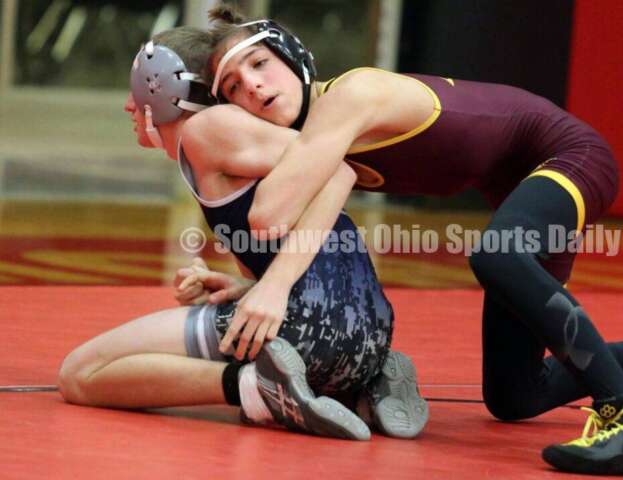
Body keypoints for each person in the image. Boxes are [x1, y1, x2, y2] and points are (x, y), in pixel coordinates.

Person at [186, 5, 623, 475]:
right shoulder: (318, 141)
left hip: (569, 155)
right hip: (518, 190)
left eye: (259, 64)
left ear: (294, 55)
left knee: (498, 254)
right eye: (232, 87)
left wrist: (193, 137)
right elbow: (320, 234)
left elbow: (270, 215)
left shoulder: (348, 99)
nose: (253, 87)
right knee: (514, 394)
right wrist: (251, 282)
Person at [57, 26, 430, 442]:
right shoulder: (217, 142)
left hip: (305, 327)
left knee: (80, 374)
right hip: (367, 333)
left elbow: (339, 170)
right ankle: (362, 386)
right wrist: (244, 286)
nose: (129, 105)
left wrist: (272, 286)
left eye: (139, 88)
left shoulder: (209, 129)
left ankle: (256, 389)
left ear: (164, 87)